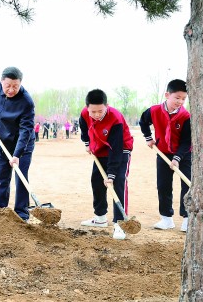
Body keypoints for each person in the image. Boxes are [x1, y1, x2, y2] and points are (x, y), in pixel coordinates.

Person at [79, 89, 133, 240]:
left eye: (100, 111)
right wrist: (87, 142)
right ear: (87, 107)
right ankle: (100, 217)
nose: (96, 114)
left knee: (118, 182)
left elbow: (116, 148)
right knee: (96, 181)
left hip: (121, 149)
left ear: (107, 106)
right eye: (93, 111)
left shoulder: (115, 118)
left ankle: (120, 223)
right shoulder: (85, 113)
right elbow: (83, 126)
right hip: (100, 149)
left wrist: (111, 174)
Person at [139, 79, 191, 232]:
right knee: (163, 186)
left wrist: (177, 158)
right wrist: (149, 138)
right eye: (177, 97)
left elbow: (187, 141)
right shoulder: (154, 110)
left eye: (183, 98)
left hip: (184, 154)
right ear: (167, 95)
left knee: (187, 185)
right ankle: (166, 219)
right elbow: (143, 121)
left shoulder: (186, 116)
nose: (180, 101)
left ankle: (187, 219)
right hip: (162, 153)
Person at [0, 66, 35, 222]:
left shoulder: (26, 101)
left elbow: (26, 130)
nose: (11, 90)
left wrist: (17, 154)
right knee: (2, 177)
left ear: (20, 84)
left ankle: (22, 214)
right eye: (8, 86)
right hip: (3, 141)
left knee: (21, 178)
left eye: (15, 86)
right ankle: (0, 210)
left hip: (23, 145)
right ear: (2, 82)